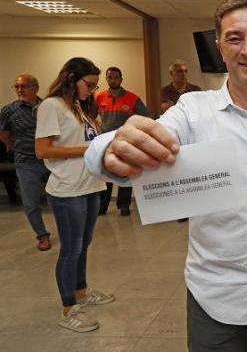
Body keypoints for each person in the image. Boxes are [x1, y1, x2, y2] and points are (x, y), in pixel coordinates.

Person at [85, 0, 247, 352]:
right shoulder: (192, 110)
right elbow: (141, 144)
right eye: (235, 38)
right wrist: (110, 148)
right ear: (220, 47)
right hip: (216, 297)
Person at [35, 57, 115, 333]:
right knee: (70, 249)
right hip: (67, 190)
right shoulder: (51, 106)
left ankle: (81, 292)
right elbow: (43, 150)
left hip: (90, 185)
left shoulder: (80, 107)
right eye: (89, 85)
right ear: (71, 78)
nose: (92, 90)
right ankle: (69, 309)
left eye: (95, 86)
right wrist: (85, 149)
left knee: (85, 243)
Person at [0, 74, 52, 251]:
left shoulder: (48, 107)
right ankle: (42, 235)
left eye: (24, 86)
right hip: (26, 162)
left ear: (36, 88)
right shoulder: (8, 110)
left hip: (50, 160)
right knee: (31, 203)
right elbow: (3, 133)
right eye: (17, 87)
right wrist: (13, 146)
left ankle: (67, 230)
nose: (20, 90)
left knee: (58, 198)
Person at [95, 67, 149, 216]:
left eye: (116, 77)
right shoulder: (99, 98)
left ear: (121, 79)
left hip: (126, 143)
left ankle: (124, 205)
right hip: (105, 144)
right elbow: (90, 117)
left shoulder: (132, 98)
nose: (113, 80)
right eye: (110, 77)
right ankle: (102, 206)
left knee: (125, 173)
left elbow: (145, 118)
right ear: (107, 79)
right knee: (106, 175)